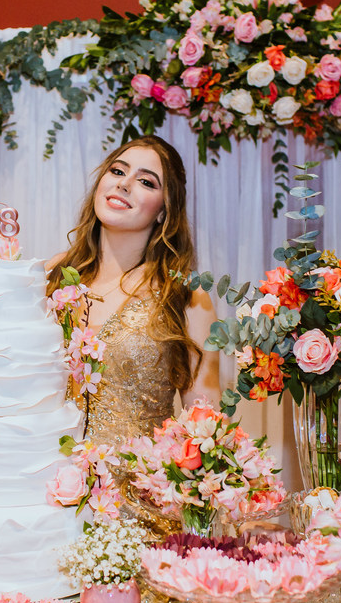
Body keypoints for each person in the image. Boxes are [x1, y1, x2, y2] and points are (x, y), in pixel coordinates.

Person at [47, 135, 220, 448]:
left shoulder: (185, 294)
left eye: (145, 181)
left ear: (164, 211)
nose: (124, 184)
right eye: (117, 171)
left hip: (139, 490)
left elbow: (204, 423)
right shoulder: (52, 276)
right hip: (45, 483)